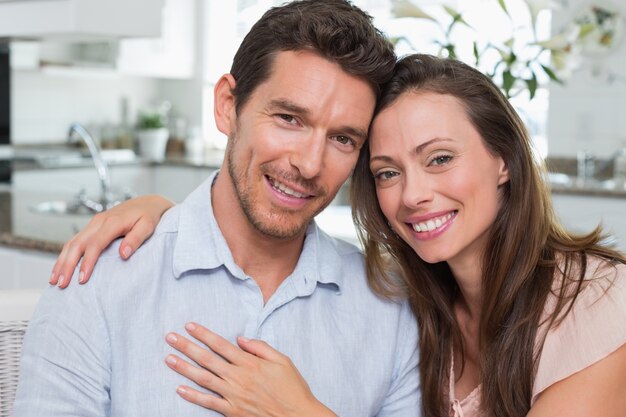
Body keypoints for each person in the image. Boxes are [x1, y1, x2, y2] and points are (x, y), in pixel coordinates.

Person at [56, 53, 626, 417]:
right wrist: (173, 218)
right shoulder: (418, 304)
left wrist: (300, 412)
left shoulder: (599, 301)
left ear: (504, 159)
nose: (413, 195)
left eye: (441, 158)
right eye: (387, 172)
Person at [13, 2, 422, 416]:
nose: (310, 164)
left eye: (342, 139)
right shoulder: (98, 282)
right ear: (228, 104)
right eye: (289, 118)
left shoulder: (391, 310)